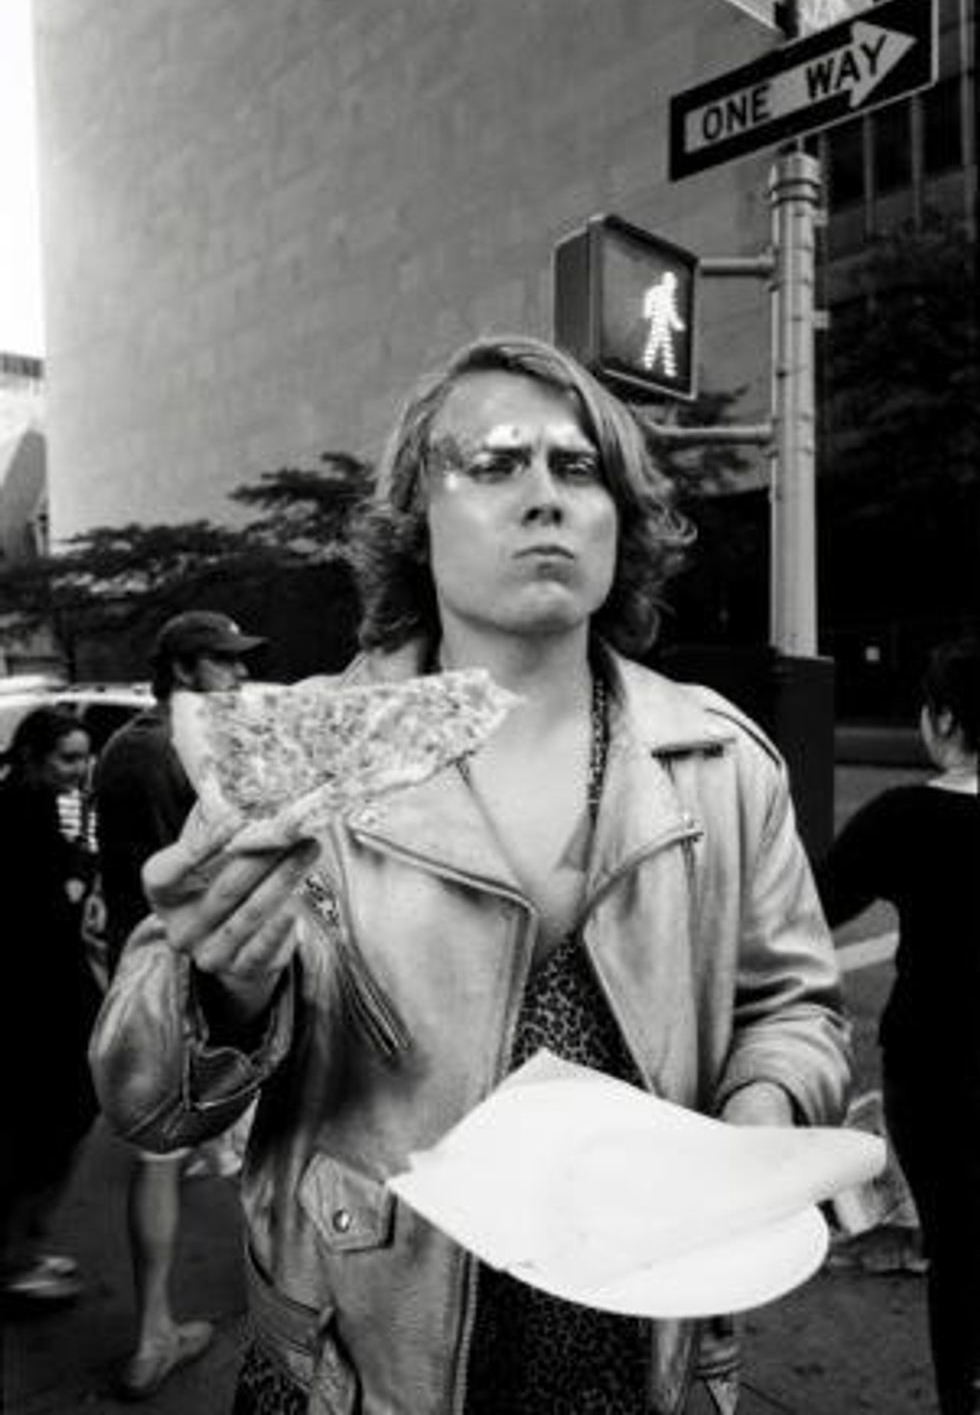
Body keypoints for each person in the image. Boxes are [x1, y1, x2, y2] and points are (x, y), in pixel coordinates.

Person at [92, 335, 851, 1415]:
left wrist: (762, 1113)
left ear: (619, 516)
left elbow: (792, 1006)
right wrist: (219, 988)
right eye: (493, 464)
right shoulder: (306, 753)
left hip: (644, 1355)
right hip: (356, 1371)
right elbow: (147, 1107)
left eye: (576, 466)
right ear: (418, 519)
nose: (545, 494)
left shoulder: (722, 762)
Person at [94, 609, 265, 1399]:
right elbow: (211, 869)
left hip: (141, 973)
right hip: (199, 975)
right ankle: (293, 1291)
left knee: (157, 1154)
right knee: (265, 1142)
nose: (239, 673)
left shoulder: (124, 746)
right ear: (185, 669)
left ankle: (153, 1333)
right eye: (224, 661)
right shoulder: (180, 750)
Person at [817, 636, 980, 1415]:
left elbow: (811, 908)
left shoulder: (905, 818)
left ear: (943, 719)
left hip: (936, 1061)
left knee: (959, 1244)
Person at [0, 707, 100, 1306]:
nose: (80, 769)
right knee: (48, 1126)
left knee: (46, 1125)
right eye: (68, 758)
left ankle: (23, 1252)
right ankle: (15, 1262)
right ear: (33, 757)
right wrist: (78, 874)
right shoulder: (24, 809)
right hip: (37, 1000)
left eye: (84, 757)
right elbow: (46, 908)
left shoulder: (32, 801)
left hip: (40, 993)